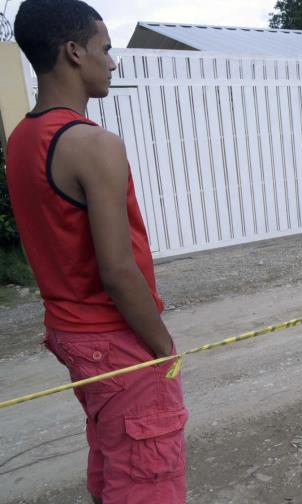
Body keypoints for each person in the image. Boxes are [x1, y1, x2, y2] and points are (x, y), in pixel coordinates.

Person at [7, 1, 188, 502]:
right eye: (105, 49)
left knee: (113, 457)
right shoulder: (92, 143)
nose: (112, 61)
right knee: (148, 477)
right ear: (73, 52)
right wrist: (162, 348)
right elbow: (117, 270)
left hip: (71, 335)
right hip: (113, 339)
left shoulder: (22, 138)